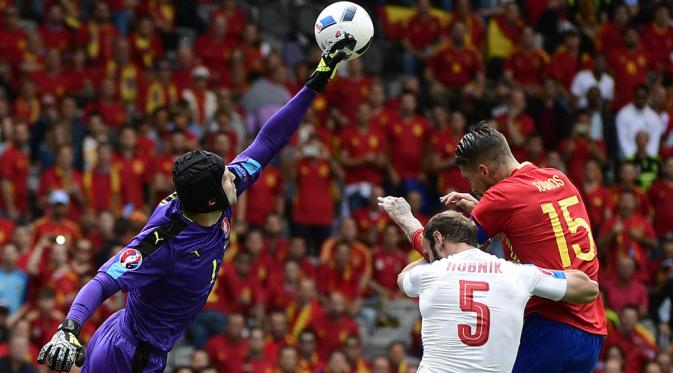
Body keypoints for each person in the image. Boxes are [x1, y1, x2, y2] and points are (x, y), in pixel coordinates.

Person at [36, 34, 356, 372]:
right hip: (132, 356)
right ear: (210, 198)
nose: (234, 175)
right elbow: (104, 280)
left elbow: (269, 139)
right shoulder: (164, 242)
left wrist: (317, 79)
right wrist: (68, 329)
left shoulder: (218, 193)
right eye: (225, 177)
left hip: (128, 337)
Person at [441, 123, 606, 372]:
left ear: (484, 170)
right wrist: (482, 211)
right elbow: (532, 225)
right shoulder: (557, 177)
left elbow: (447, 250)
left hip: (551, 328)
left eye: (469, 179)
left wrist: (406, 220)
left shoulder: (500, 197)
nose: (472, 188)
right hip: (591, 332)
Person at [378, 196, 599, 372]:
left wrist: (428, 255)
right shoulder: (517, 273)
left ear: (438, 238)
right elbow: (588, 289)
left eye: (428, 252)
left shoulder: (429, 274)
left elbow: (402, 279)